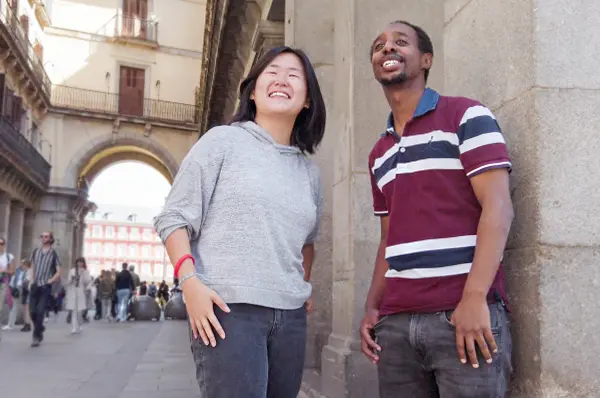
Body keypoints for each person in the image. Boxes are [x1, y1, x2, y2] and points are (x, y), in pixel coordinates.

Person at [154, 45, 325, 398]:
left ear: (307, 99)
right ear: (253, 89)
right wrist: (190, 284)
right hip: (228, 312)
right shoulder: (222, 142)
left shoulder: (308, 171)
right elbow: (173, 218)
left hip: (290, 321)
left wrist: (298, 284)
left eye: (294, 75)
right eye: (272, 72)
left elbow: (307, 241)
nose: (281, 80)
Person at [360, 21, 514, 397]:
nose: (388, 49)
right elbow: (388, 240)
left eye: (400, 42)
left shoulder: (465, 116)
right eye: (379, 46)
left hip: (462, 315)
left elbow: (498, 207)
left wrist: (475, 297)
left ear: (426, 59)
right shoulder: (379, 154)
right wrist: (371, 307)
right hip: (395, 326)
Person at [29, 231, 61, 347]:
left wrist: (50, 281)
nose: (43, 238)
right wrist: (31, 280)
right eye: (42, 236)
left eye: (46, 236)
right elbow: (32, 267)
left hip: (45, 286)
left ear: (50, 239)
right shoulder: (35, 252)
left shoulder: (54, 254)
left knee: (40, 311)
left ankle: (36, 337)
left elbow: (58, 272)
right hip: (35, 285)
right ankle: (40, 327)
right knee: (32, 312)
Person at [3, 259, 31, 331]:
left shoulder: (28, 271)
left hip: (24, 290)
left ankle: (26, 324)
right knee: (13, 307)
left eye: (24, 264)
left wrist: (22, 284)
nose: (22, 265)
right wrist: (11, 287)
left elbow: (27, 281)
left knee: (25, 308)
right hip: (16, 290)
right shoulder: (17, 270)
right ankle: (10, 324)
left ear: (27, 265)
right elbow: (13, 279)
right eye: (22, 264)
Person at [66, 257, 90, 334]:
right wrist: (71, 280)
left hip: (80, 292)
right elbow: (68, 282)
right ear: (76, 263)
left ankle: (80, 325)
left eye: (81, 262)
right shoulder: (72, 271)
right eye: (78, 262)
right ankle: (73, 327)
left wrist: (83, 273)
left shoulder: (85, 271)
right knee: (73, 310)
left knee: (80, 311)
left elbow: (87, 282)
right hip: (73, 291)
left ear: (83, 263)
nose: (80, 264)